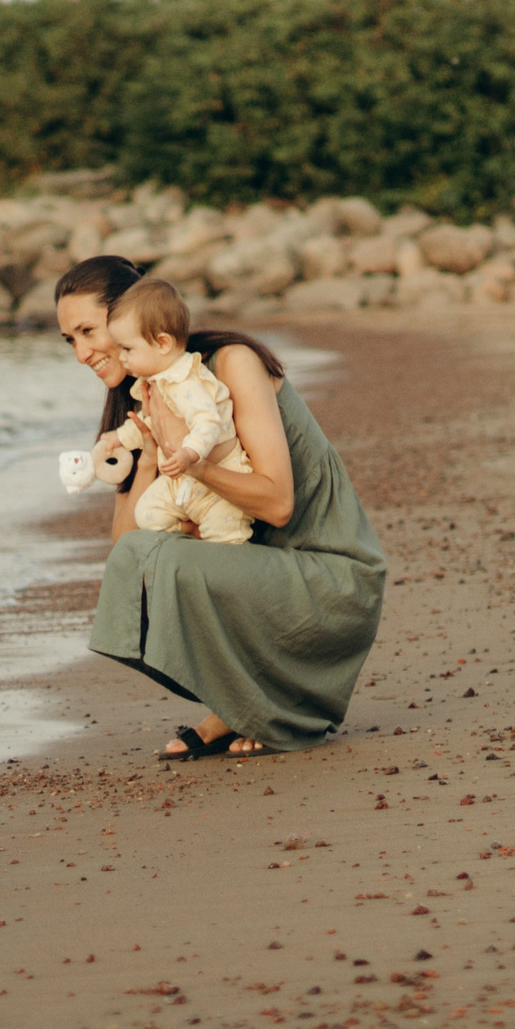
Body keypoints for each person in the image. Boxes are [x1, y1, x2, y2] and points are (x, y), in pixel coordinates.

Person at [53, 255, 387, 759]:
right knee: (145, 561)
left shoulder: (230, 365)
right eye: (69, 340)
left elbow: (277, 503)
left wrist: (192, 463)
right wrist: (151, 455)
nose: (81, 353)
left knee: (166, 560)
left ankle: (267, 709)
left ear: (134, 316)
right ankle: (243, 705)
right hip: (266, 577)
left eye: (87, 331)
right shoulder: (144, 399)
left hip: (331, 580)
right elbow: (128, 554)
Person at [97, 276, 255, 545]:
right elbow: (149, 424)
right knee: (146, 515)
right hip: (182, 482)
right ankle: (188, 534)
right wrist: (120, 438)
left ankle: (233, 569)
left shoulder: (186, 382)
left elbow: (207, 421)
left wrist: (189, 454)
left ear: (162, 344)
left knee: (226, 535)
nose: (121, 358)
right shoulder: (156, 383)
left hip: (220, 482)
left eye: (127, 349)